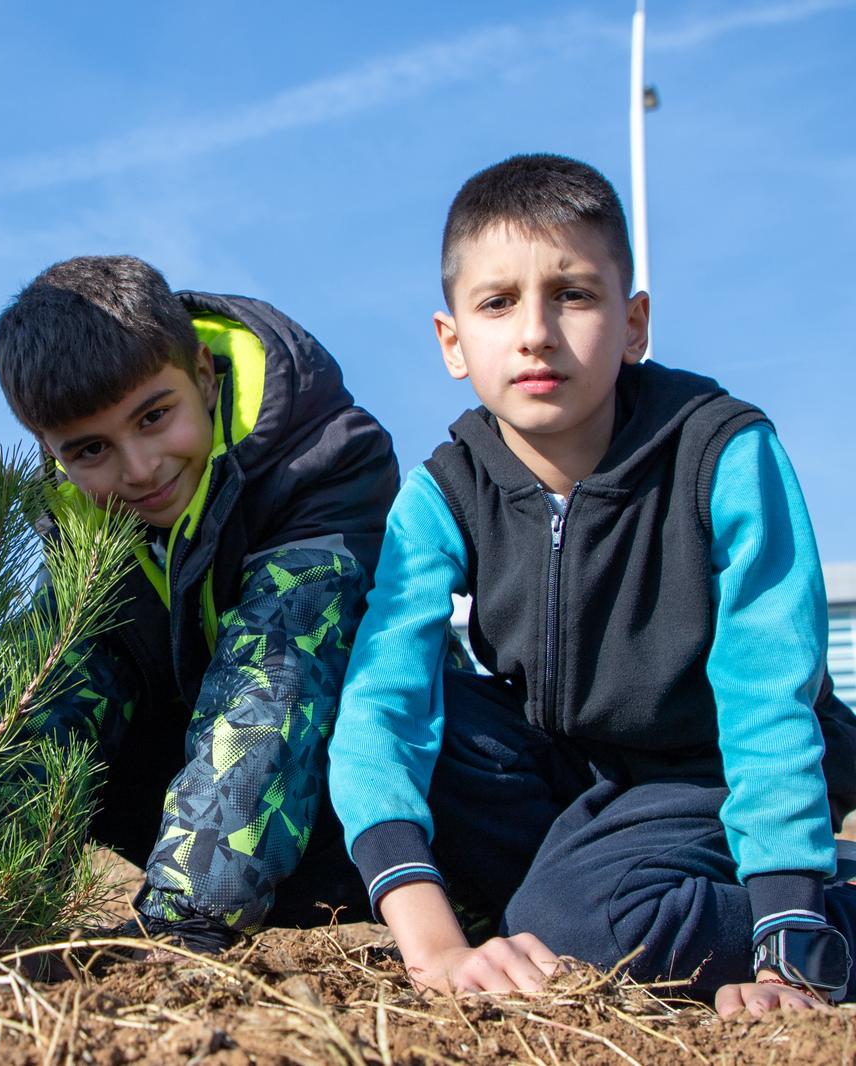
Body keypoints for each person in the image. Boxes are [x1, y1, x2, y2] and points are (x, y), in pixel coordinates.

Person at [326, 153, 856, 1018]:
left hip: (707, 767)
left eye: (573, 294)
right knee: (408, 728)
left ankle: (810, 901)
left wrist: (790, 937)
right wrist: (431, 946)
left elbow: (769, 693)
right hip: (567, 768)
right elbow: (386, 700)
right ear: (452, 341)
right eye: (498, 303)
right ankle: (581, 892)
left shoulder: (721, 454)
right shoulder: (444, 493)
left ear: (634, 321)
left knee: (575, 925)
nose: (535, 331)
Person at [0, 255, 400, 950]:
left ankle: (218, 902)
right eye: (91, 449)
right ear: (50, 452)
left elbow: (273, 680)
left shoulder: (324, 461)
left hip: (349, 797)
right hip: (214, 800)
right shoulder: (85, 524)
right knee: (53, 664)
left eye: (154, 417)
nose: (139, 468)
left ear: (204, 375)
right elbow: (51, 701)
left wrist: (184, 923)